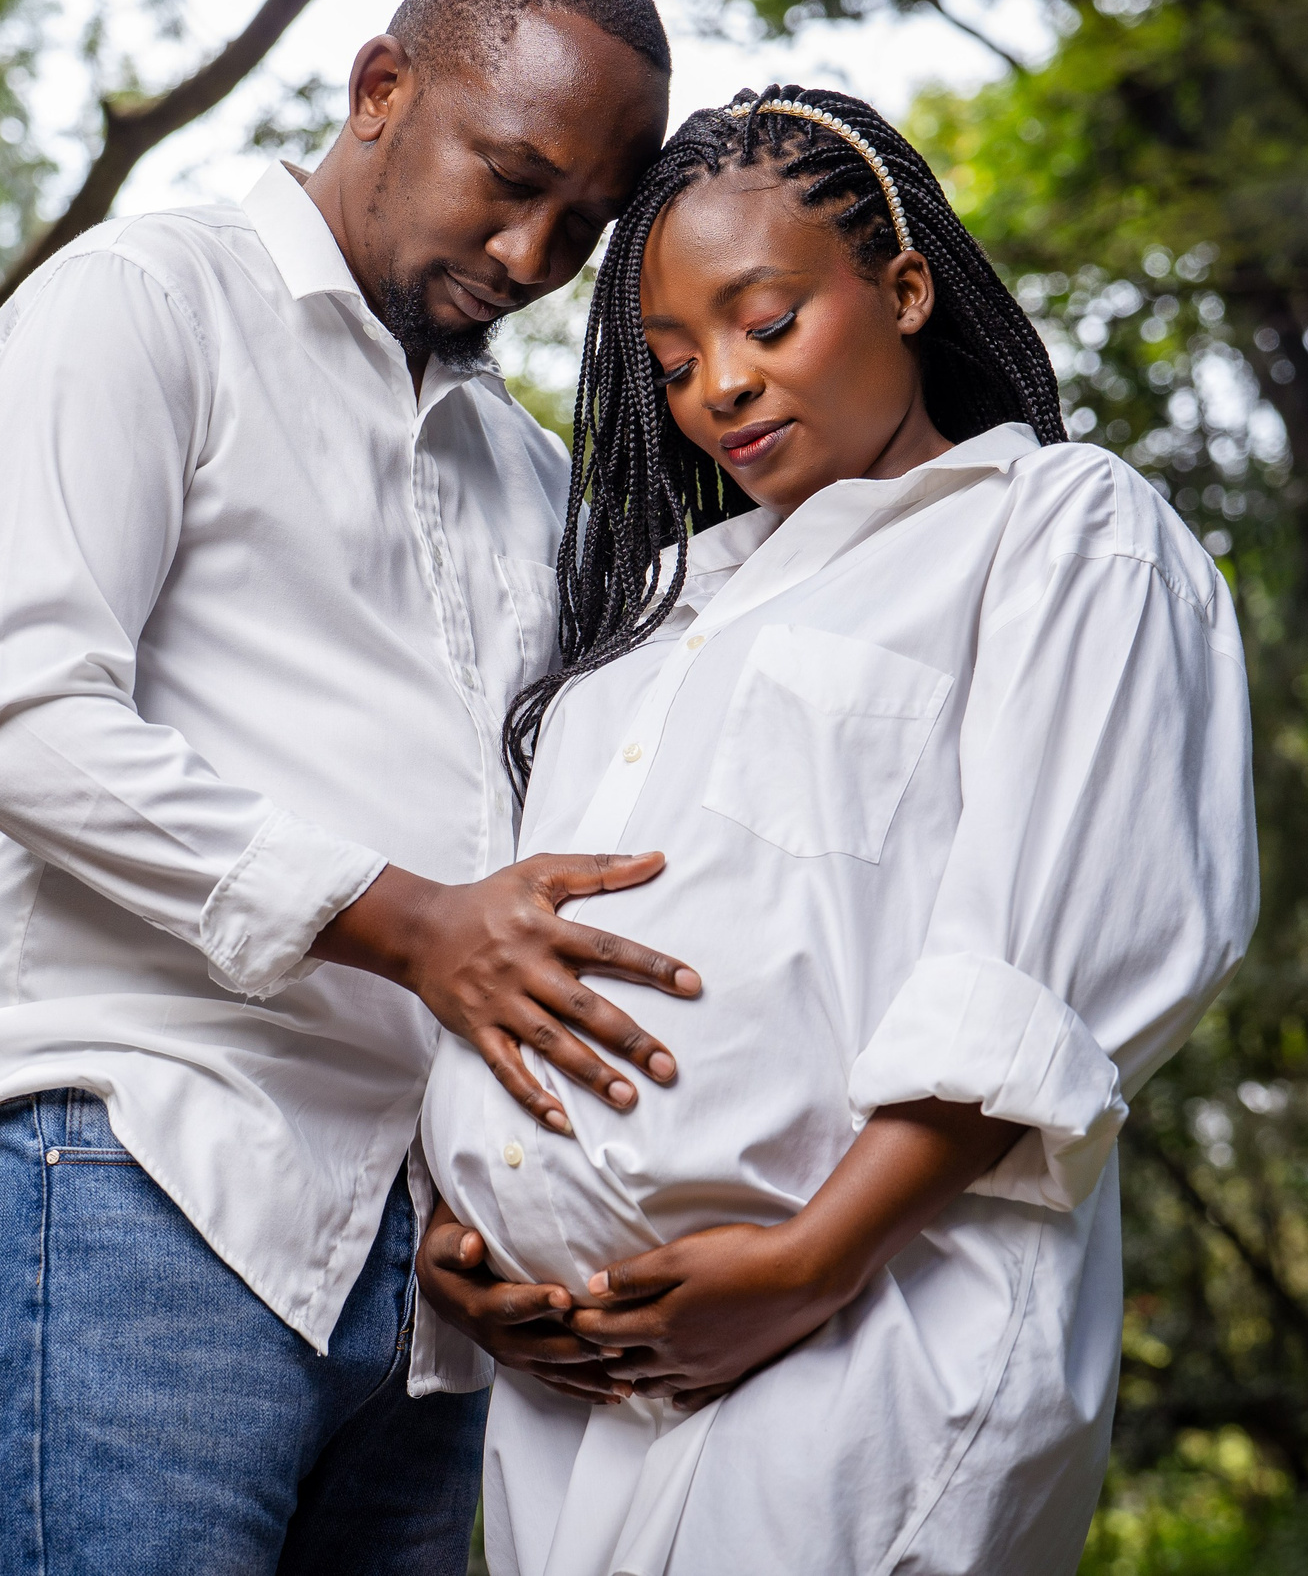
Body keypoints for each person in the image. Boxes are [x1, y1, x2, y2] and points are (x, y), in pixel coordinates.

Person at [0, 0, 691, 1576]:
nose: (536, 255)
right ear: (381, 84)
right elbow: (24, 721)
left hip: (429, 1273)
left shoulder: (529, 476)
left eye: (583, 224)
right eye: (511, 176)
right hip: (141, 1162)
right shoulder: (140, 302)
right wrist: (415, 924)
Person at [413, 85, 1259, 1575]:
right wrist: (465, 1235)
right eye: (673, 362)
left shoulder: (1054, 531)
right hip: (573, 1404)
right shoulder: (653, 619)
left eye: (766, 322)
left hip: (860, 1347)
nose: (717, 388)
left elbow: (1049, 959)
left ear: (907, 287)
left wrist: (809, 1263)